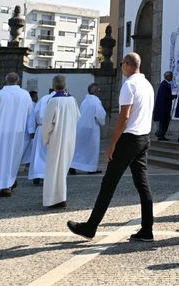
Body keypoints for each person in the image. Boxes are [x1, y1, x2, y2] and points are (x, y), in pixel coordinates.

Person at [68, 52, 156, 243]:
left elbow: (123, 117)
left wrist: (113, 144)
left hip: (129, 139)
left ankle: (90, 227)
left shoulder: (129, 85)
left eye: (122, 64)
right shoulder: (147, 85)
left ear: (126, 64)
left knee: (109, 183)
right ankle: (147, 229)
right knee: (142, 184)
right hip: (143, 138)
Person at [0, 72, 34, 198]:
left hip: (1, 131)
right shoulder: (25, 94)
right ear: (18, 80)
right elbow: (29, 112)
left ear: (6, 80)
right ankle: (10, 180)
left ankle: (5, 184)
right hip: (18, 131)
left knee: (1, 157)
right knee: (13, 157)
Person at [41, 75, 80, 209]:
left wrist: (45, 138)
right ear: (65, 85)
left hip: (56, 138)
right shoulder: (72, 99)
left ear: (53, 85)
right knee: (63, 168)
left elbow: (46, 124)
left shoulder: (53, 101)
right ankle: (61, 196)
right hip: (69, 137)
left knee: (53, 168)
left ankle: (54, 199)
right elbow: (77, 117)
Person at [70, 84, 107, 174]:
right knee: (92, 149)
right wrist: (102, 122)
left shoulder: (85, 101)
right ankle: (91, 168)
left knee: (79, 149)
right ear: (95, 91)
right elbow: (100, 115)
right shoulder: (96, 101)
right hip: (92, 128)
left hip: (81, 127)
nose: (99, 91)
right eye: (98, 89)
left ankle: (73, 165)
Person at [27, 89, 56, 184]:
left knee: (39, 153)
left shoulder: (43, 99)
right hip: (54, 128)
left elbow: (33, 114)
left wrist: (31, 130)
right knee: (51, 153)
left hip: (41, 128)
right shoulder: (63, 99)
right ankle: (46, 175)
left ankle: (37, 174)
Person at [152, 72, 176, 140]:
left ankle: (161, 134)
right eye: (171, 76)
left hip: (164, 107)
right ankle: (160, 135)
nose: (172, 77)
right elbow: (166, 96)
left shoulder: (165, 84)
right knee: (164, 122)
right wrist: (173, 96)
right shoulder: (165, 84)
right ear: (167, 77)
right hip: (164, 108)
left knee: (164, 122)